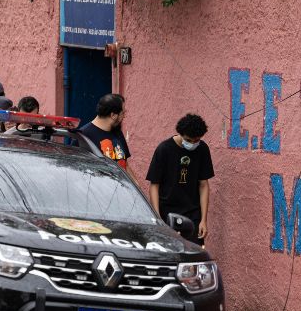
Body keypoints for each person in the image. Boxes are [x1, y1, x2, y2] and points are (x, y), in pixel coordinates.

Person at [145, 114, 214, 246]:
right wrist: (158, 218)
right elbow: (154, 185)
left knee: (192, 253)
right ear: (180, 134)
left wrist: (203, 220)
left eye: (196, 141)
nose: (193, 144)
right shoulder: (164, 149)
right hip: (166, 212)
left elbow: (204, 185)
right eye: (189, 140)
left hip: (192, 214)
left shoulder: (202, 149)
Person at [79, 94, 139, 184]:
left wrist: (136, 186)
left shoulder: (117, 132)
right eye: (123, 113)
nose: (124, 116)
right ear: (113, 115)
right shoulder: (83, 136)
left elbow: (124, 164)